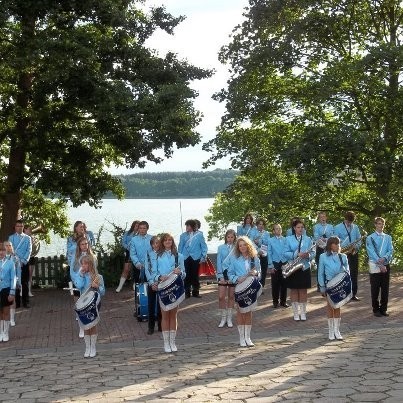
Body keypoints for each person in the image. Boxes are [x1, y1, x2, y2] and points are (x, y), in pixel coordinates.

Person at [151, 233, 185, 353]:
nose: (167, 242)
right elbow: (153, 273)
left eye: (170, 240)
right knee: (165, 314)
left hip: (175, 287)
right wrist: (159, 277)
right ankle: (166, 343)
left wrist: (179, 272)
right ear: (162, 242)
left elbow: (184, 274)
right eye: (165, 240)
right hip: (163, 287)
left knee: (174, 315)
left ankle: (172, 342)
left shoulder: (179, 256)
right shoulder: (156, 256)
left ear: (172, 241)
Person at [227, 236, 261, 347]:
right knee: (240, 311)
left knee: (249, 312)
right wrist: (236, 279)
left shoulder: (254, 258)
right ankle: (241, 338)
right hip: (239, 287)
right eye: (240, 245)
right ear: (238, 247)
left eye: (244, 245)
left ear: (248, 245)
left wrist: (256, 273)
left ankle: (248, 337)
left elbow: (259, 273)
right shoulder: (234, 258)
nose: (242, 247)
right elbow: (230, 273)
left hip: (250, 288)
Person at [71, 255, 105, 358]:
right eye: (82, 264)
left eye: (85, 263)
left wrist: (97, 286)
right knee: (85, 325)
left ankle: (93, 347)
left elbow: (103, 291)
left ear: (91, 264)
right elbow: (79, 286)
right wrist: (80, 275)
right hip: (83, 304)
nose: (83, 266)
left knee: (92, 324)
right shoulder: (81, 275)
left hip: (94, 303)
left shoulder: (98, 277)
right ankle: (87, 348)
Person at [318, 237, 350, 340]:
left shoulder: (343, 256)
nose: (338, 245)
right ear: (330, 245)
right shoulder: (323, 256)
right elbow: (320, 272)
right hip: (329, 285)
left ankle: (337, 330)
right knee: (330, 306)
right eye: (335, 244)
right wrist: (322, 286)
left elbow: (347, 272)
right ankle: (331, 331)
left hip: (340, 285)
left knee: (337, 306)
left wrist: (345, 275)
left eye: (338, 244)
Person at [283, 219, 315, 321]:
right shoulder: (288, 239)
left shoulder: (308, 239)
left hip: (304, 267)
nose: (300, 229)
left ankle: (303, 313)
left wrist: (308, 255)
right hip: (293, 267)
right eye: (298, 227)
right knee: (294, 290)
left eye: (302, 227)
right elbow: (285, 253)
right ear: (294, 228)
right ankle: (296, 313)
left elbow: (313, 252)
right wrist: (296, 254)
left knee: (303, 290)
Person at [69, 236, 97, 338]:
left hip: (90, 284)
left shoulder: (92, 256)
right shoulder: (75, 257)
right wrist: (77, 279)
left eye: (86, 244)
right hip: (79, 283)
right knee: (80, 307)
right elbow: (72, 271)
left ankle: (91, 328)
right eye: (82, 244)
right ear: (79, 246)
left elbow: (95, 271)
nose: (85, 246)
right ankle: (81, 328)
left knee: (90, 307)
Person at [366, 217, 393, 317]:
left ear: (384, 225)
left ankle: (384, 309)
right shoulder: (370, 237)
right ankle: (376, 309)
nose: (380, 226)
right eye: (378, 223)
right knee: (375, 288)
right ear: (375, 225)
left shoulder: (388, 237)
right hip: (375, 265)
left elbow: (390, 250)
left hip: (385, 264)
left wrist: (385, 258)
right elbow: (370, 251)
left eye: (382, 224)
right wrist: (379, 261)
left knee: (385, 288)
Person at [334, 211, 363, 301]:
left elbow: (359, 239)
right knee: (343, 274)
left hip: (353, 253)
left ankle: (353, 294)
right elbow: (335, 241)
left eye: (351, 222)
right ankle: (343, 295)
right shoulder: (337, 227)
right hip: (342, 253)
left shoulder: (356, 227)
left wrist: (355, 247)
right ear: (345, 219)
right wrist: (344, 248)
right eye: (348, 222)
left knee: (354, 273)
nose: (350, 224)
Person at [178, 219, 207, 298]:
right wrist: (179, 258)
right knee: (186, 275)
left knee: (195, 275)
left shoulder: (199, 235)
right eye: (186, 225)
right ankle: (187, 292)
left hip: (196, 257)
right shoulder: (183, 235)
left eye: (188, 225)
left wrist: (203, 256)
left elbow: (204, 246)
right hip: (185, 257)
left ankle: (195, 292)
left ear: (193, 226)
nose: (187, 227)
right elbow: (180, 247)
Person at [9, 220, 32, 309]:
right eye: (18, 226)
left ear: (23, 227)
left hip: (24, 263)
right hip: (15, 263)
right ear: (15, 227)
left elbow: (29, 250)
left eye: (21, 226)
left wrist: (23, 261)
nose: (20, 228)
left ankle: (26, 302)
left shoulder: (27, 238)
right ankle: (17, 302)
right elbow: (10, 250)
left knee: (25, 283)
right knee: (16, 282)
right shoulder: (11, 238)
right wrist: (16, 261)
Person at [216, 229, 236, 328]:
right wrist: (220, 276)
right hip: (223, 273)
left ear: (234, 238)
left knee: (231, 296)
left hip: (232, 273)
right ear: (225, 237)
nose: (230, 239)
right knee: (221, 297)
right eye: (228, 237)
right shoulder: (220, 248)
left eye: (232, 237)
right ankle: (223, 318)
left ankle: (229, 318)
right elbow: (219, 262)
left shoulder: (237, 248)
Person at [267, 223, 288, 308]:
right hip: (275, 263)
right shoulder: (270, 240)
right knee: (275, 284)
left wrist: (287, 263)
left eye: (279, 228)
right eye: (276, 229)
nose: (278, 230)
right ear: (273, 231)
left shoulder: (286, 239)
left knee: (284, 283)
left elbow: (288, 251)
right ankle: (275, 302)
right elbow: (269, 253)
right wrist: (271, 265)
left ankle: (283, 301)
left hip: (284, 263)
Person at [144, 236, 162, 334]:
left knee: (160, 305)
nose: (157, 245)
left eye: (158, 243)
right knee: (151, 305)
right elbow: (147, 269)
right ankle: (151, 327)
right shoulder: (148, 254)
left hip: (160, 281)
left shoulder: (162, 254)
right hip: (151, 283)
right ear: (151, 244)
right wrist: (151, 282)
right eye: (155, 243)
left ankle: (160, 325)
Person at [116, 220, 140, 293]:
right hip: (129, 252)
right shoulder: (128, 233)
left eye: (138, 226)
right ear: (133, 226)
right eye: (136, 225)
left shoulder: (140, 234)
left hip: (137, 253)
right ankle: (120, 286)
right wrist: (127, 248)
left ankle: (135, 285)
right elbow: (123, 242)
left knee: (137, 269)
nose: (137, 227)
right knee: (126, 269)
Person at [0, 242, 17, 342]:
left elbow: (13, 278)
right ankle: (0, 332)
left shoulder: (10, 263)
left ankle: (6, 333)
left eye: (2, 250)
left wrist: (12, 292)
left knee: (6, 312)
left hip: (6, 290)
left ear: (5, 251)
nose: (1, 252)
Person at [313, 212, 334, 289]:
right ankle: (320, 285)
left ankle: (329, 283)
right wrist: (324, 241)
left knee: (329, 266)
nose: (323, 218)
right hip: (320, 249)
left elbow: (332, 237)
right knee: (320, 267)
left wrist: (325, 239)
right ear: (319, 219)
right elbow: (316, 237)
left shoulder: (331, 226)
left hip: (329, 248)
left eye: (324, 216)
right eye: (321, 217)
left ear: (326, 217)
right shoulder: (316, 227)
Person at [4, 241, 20, 326]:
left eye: (10, 245)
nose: (8, 247)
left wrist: (18, 282)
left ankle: (12, 319)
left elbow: (18, 271)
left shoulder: (15, 258)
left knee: (12, 300)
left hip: (12, 282)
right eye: (6, 245)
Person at [253, 219, 270, 292]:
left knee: (263, 271)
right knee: (256, 271)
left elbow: (267, 242)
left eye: (262, 224)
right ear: (257, 225)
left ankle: (261, 287)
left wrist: (259, 241)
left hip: (264, 254)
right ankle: (255, 287)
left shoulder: (267, 233)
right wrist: (257, 251)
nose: (261, 225)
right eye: (259, 224)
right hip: (255, 254)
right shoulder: (253, 232)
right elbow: (250, 242)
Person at [23, 225, 40, 297]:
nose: (31, 230)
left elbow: (36, 248)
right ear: (25, 230)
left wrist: (34, 242)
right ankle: (23, 291)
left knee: (30, 276)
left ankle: (29, 291)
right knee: (25, 275)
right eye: (29, 229)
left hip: (32, 257)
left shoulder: (33, 238)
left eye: (31, 229)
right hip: (25, 258)